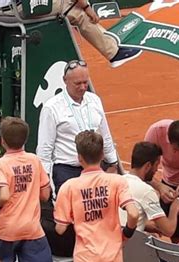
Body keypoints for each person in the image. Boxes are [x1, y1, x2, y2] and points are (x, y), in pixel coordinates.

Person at [54, 130, 139, 262]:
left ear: (79, 158)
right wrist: (126, 234)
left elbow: (60, 229)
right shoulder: (117, 181)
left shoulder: (68, 187)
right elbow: (134, 214)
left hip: (85, 259)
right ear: (102, 155)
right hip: (113, 258)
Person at [37, 59, 118, 195]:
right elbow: (44, 148)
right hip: (68, 171)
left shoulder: (95, 100)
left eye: (85, 82)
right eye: (77, 83)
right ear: (65, 80)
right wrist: (44, 180)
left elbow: (105, 135)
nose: (82, 87)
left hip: (96, 168)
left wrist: (113, 163)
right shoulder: (51, 108)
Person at [0, 0, 142, 68]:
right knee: (77, 11)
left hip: (3, 11)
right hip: (23, 9)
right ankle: (113, 53)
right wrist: (87, 6)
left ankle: (111, 45)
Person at [0, 116, 53, 262]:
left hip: (7, 230)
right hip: (32, 229)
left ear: (2, 141)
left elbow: (3, 196)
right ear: (25, 140)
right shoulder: (34, 160)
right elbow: (45, 195)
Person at [119, 141, 179, 238]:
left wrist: (146, 226)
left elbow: (121, 219)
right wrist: (175, 207)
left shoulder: (118, 180)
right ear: (148, 166)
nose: (156, 170)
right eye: (156, 165)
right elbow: (168, 230)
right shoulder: (146, 191)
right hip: (128, 246)